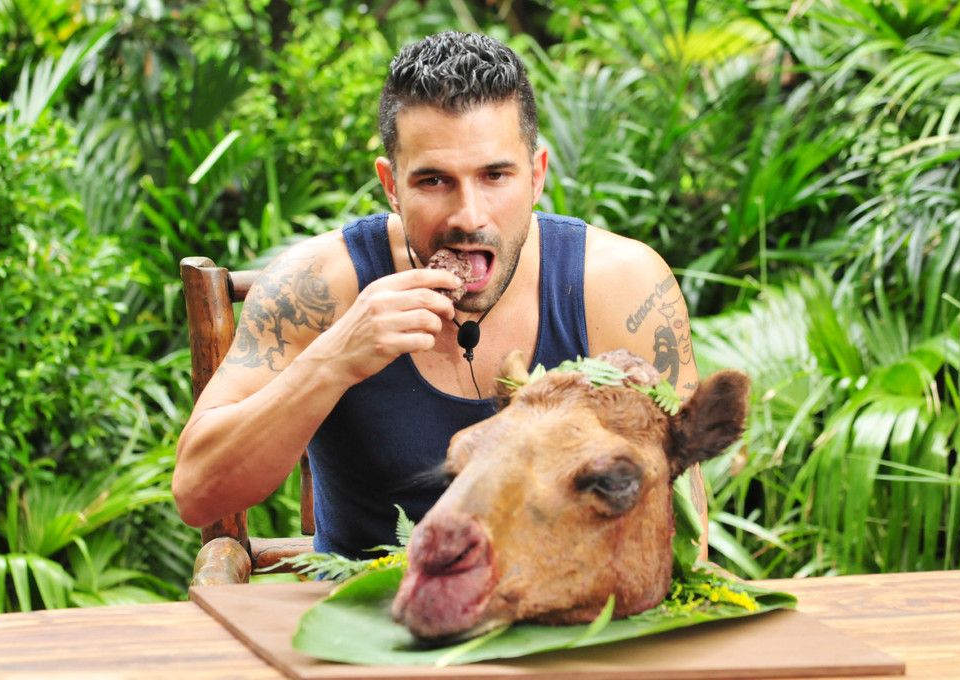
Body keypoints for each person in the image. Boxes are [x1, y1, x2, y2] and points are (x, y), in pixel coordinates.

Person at [172, 31, 705, 559]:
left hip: (564, 604)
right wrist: (334, 359)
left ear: (537, 175)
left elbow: (681, 531)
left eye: (495, 175)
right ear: (391, 185)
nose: (468, 216)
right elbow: (198, 494)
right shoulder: (315, 286)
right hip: (362, 605)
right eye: (433, 181)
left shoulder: (618, 286)